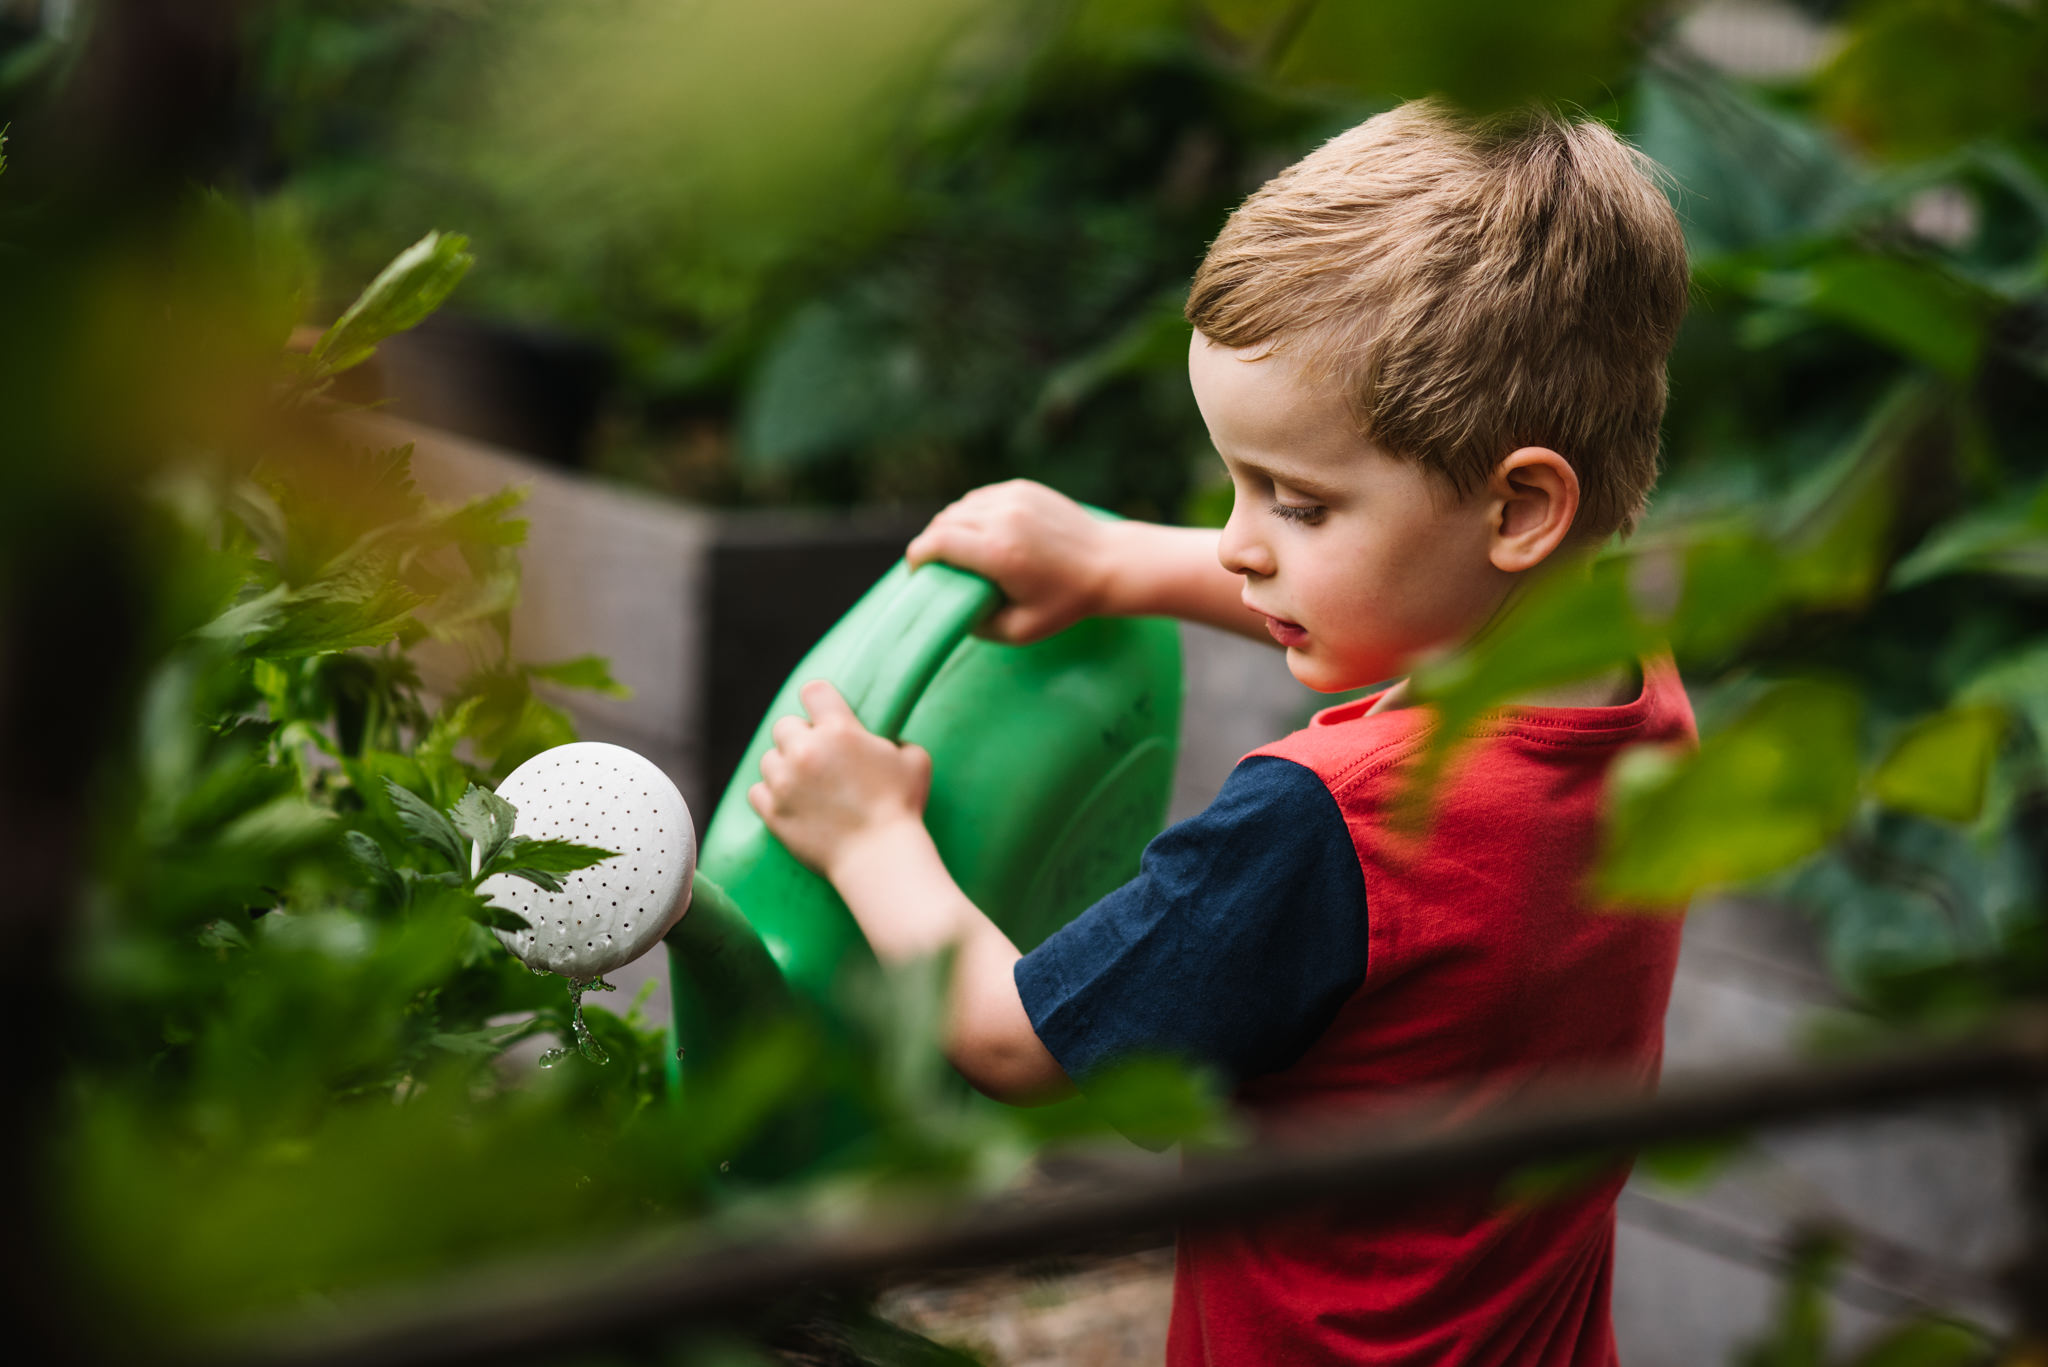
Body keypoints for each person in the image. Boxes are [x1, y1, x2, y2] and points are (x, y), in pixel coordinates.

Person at [748, 100, 1694, 1366]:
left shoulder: (1327, 827)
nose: (1243, 542)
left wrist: (870, 837)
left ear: (1519, 503)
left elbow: (1014, 1040)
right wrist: (1118, 558)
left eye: (1297, 502)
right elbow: (1410, 615)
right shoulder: (1627, 687)